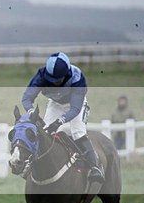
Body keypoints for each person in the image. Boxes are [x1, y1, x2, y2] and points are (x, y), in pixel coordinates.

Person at [21, 52, 104, 183]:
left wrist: (60, 121)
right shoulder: (41, 75)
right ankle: (30, 165)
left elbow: (75, 109)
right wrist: (32, 113)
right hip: (55, 104)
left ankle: (94, 167)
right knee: (43, 133)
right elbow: (26, 98)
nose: (54, 83)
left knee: (78, 133)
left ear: (67, 73)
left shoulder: (77, 78)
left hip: (75, 104)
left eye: (58, 80)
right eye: (51, 79)